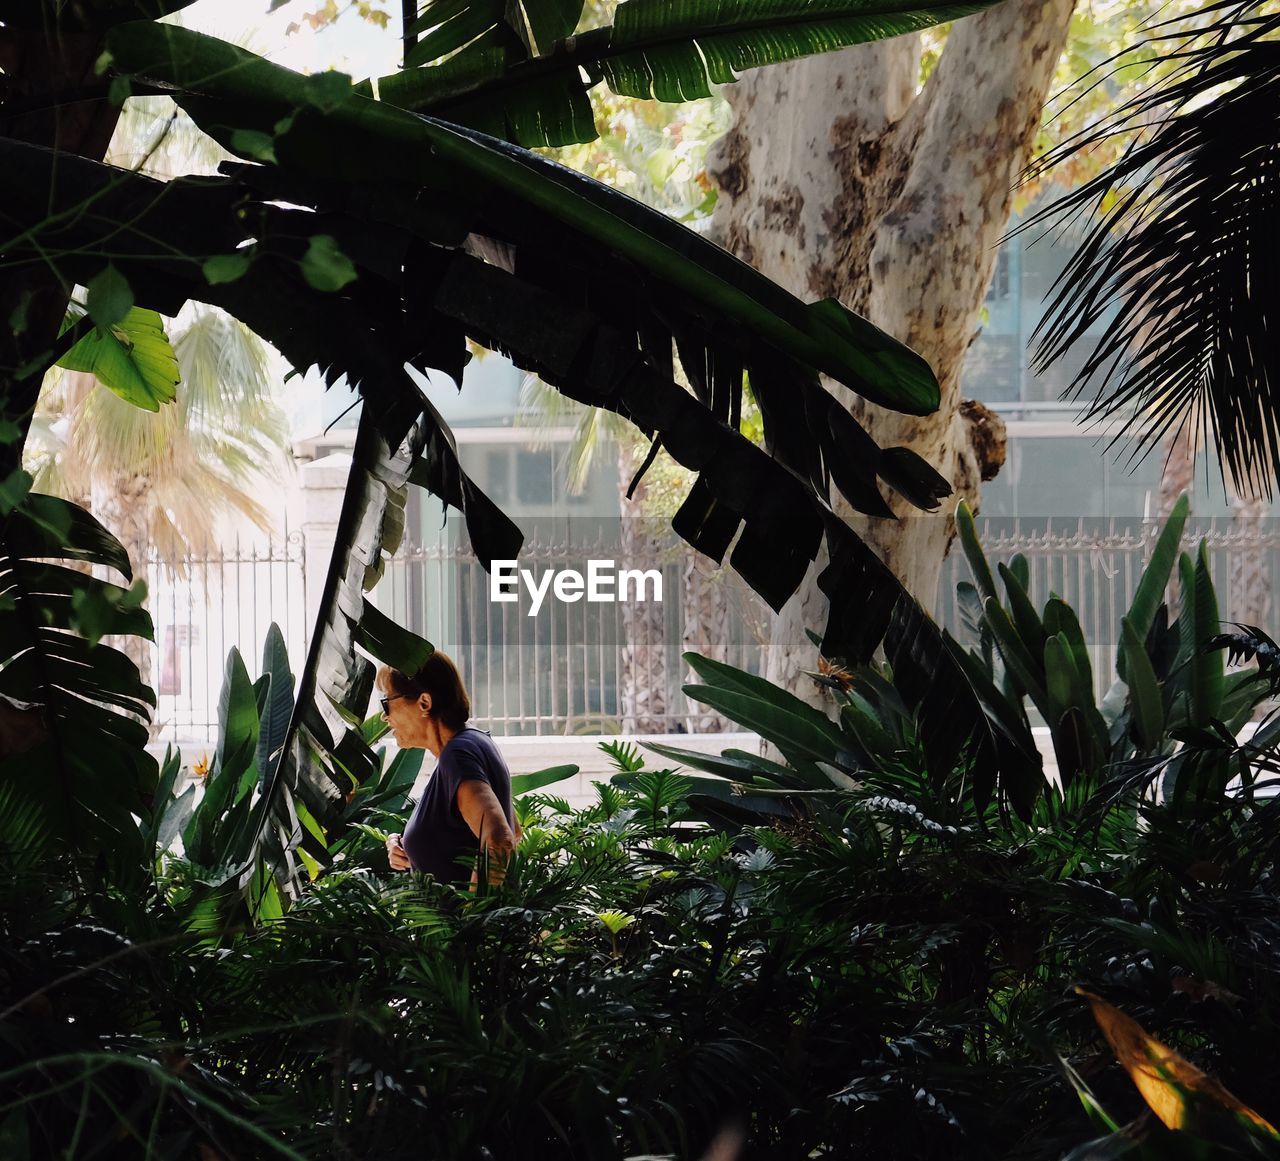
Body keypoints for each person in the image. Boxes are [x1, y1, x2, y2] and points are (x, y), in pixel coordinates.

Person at [379, 653, 519, 886]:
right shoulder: (473, 743)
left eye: (387, 703)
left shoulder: (457, 755)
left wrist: (473, 917)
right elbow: (513, 830)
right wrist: (405, 847)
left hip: (459, 922)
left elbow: (499, 839)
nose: (385, 717)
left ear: (424, 702)